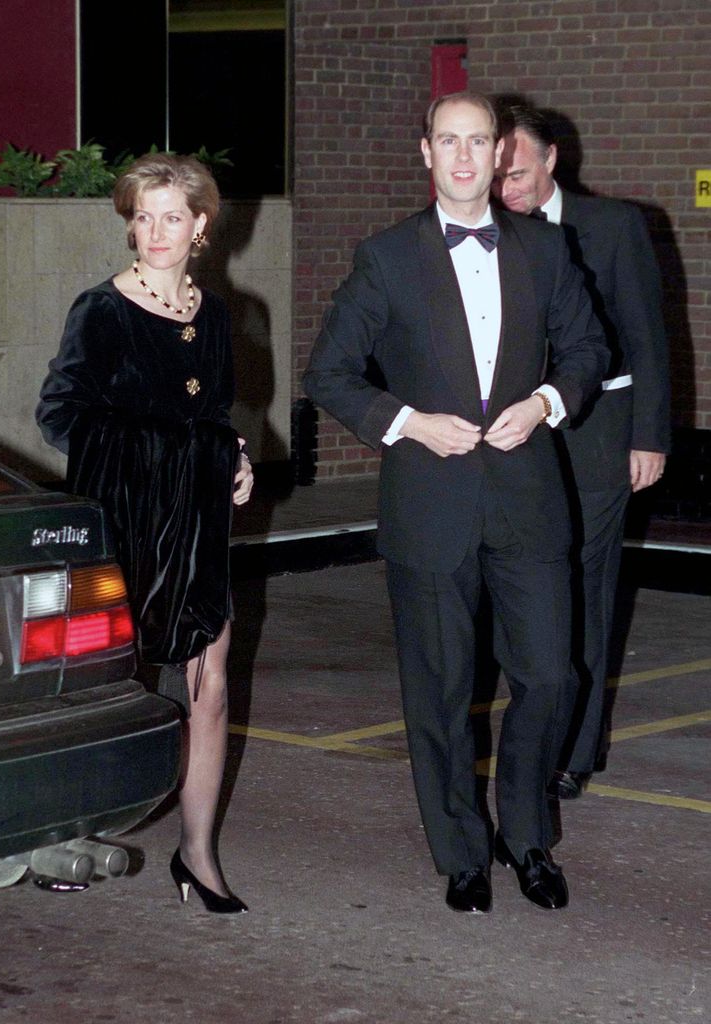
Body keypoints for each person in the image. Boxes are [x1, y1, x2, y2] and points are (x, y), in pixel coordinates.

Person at [303, 91, 609, 914]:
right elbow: (328, 371)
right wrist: (404, 422)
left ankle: (523, 832)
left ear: (501, 153)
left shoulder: (546, 250)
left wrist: (546, 401)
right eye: (450, 141)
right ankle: (460, 851)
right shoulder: (386, 257)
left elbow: (586, 349)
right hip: (429, 505)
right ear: (426, 153)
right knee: (437, 690)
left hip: (528, 500)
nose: (466, 157)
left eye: (480, 142)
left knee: (549, 675)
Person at [36, 153, 253, 914]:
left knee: (212, 689)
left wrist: (236, 456)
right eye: (142, 216)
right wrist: (167, 451)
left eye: (171, 217)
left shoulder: (220, 315)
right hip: (124, 522)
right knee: (101, 692)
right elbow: (61, 414)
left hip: (196, 524)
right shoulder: (102, 309)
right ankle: (65, 834)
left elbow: (215, 416)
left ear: (200, 226)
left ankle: (196, 854)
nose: (154, 231)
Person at [493, 104, 671, 800]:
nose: (505, 189)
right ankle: (533, 728)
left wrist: (648, 436)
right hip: (518, 432)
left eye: (516, 173)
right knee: (527, 586)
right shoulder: (486, 232)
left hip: (598, 430)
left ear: (549, 162)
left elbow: (648, 337)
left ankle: (573, 749)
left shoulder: (614, 226)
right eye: (497, 176)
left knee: (586, 586)